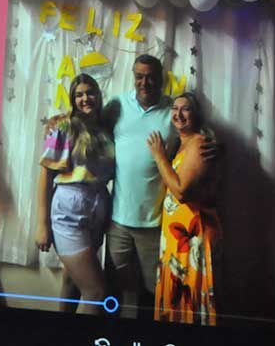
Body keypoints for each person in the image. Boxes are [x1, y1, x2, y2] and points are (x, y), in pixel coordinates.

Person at [102, 55, 217, 318]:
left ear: (161, 79)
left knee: (153, 292)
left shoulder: (172, 111)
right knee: (117, 289)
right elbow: (90, 126)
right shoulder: (117, 105)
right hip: (118, 220)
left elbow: (196, 136)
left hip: (154, 223)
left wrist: (216, 146)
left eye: (151, 77)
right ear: (133, 77)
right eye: (139, 76)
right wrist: (61, 122)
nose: (145, 82)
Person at [35, 74, 115, 315]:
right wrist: (42, 225)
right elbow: (46, 174)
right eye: (79, 95)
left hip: (97, 212)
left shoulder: (104, 130)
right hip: (69, 213)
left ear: (98, 95)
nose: (85, 98)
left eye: (90, 92)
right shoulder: (63, 126)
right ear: (73, 99)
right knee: (97, 292)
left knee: (72, 280)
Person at [147, 92, 221, 325]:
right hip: (178, 237)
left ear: (196, 114)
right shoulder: (180, 144)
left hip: (193, 235)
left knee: (189, 300)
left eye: (185, 109)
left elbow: (181, 192)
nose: (178, 114)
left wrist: (159, 156)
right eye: (175, 108)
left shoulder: (199, 143)